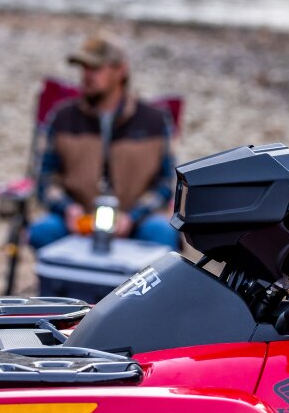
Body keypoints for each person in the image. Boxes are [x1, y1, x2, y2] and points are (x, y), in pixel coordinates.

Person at [30, 35, 181, 251]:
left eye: (95, 68)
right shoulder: (62, 117)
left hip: (136, 221)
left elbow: (166, 185)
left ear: (120, 71)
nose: (86, 76)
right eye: (83, 68)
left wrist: (133, 217)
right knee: (43, 231)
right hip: (79, 221)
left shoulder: (154, 121)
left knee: (162, 232)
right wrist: (68, 209)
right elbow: (46, 179)